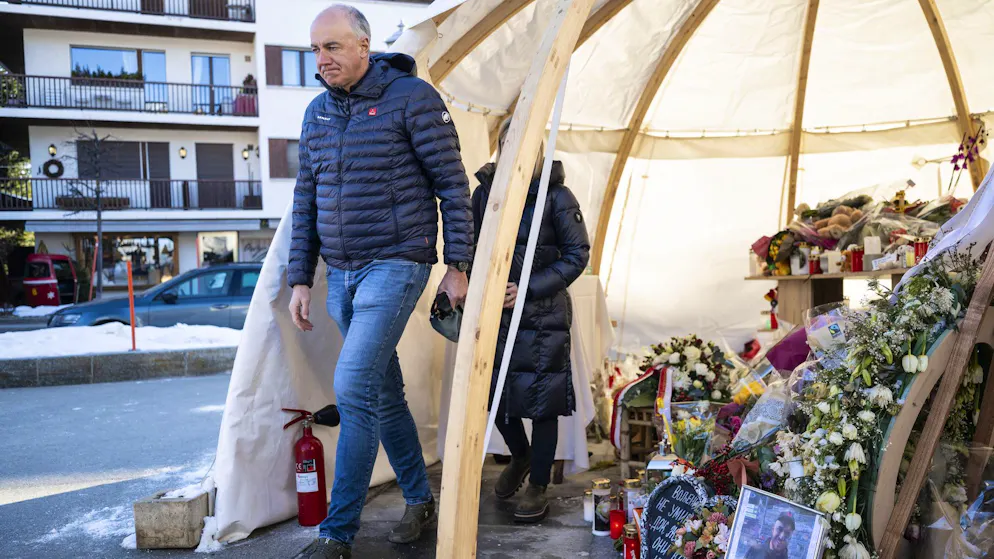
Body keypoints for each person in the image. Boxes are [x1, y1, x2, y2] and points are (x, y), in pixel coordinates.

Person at [287, 5, 474, 559]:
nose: (323, 60)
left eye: (334, 47)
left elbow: (452, 185)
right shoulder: (316, 113)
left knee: (351, 387)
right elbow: (306, 200)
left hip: (397, 264)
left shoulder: (412, 98)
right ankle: (419, 500)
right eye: (316, 50)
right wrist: (301, 279)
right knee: (383, 392)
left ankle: (336, 533)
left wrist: (457, 265)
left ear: (364, 46)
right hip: (342, 275)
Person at [472, 119, 591, 523]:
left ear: (539, 149)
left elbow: (577, 256)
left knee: (542, 402)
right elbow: (472, 249)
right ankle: (519, 456)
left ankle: (538, 482)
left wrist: (526, 288)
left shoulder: (558, 196)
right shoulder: (484, 193)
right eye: (507, 142)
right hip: (496, 314)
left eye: (524, 144)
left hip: (542, 315)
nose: (515, 151)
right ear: (500, 147)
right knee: (495, 396)